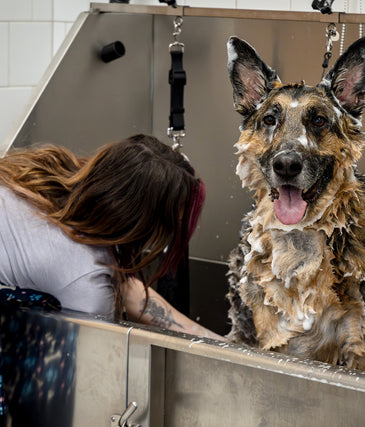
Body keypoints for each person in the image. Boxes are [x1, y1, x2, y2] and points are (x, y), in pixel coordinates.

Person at [0, 134, 223, 341]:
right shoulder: (86, 278)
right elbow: (96, 362)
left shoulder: (47, 169)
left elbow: (125, 287)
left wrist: (213, 341)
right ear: (141, 225)